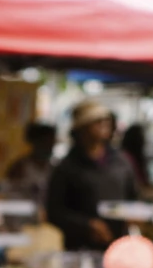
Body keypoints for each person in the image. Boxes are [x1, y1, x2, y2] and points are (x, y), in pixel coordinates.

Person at [45, 101, 138, 250]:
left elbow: (133, 197)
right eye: (96, 121)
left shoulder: (121, 161)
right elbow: (54, 212)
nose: (103, 124)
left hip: (119, 244)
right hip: (80, 247)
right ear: (81, 129)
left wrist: (135, 216)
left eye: (106, 120)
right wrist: (87, 225)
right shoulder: (67, 167)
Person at [2, 121, 57, 211]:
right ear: (34, 142)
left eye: (52, 142)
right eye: (45, 142)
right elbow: (10, 199)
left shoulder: (55, 167)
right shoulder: (19, 168)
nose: (50, 146)